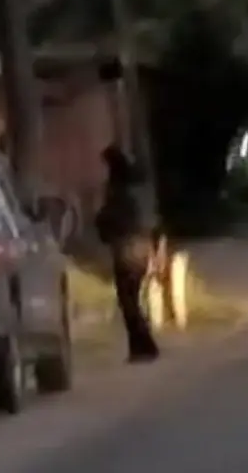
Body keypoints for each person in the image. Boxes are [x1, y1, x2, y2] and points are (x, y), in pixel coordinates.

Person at [95, 144, 161, 363]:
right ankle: (139, 346)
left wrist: (102, 223)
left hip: (127, 247)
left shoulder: (119, 190)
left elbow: (113, 218)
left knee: (128, 299)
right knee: (130, 298)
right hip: (139, 245)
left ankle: (145, 345)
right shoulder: (135, 188)